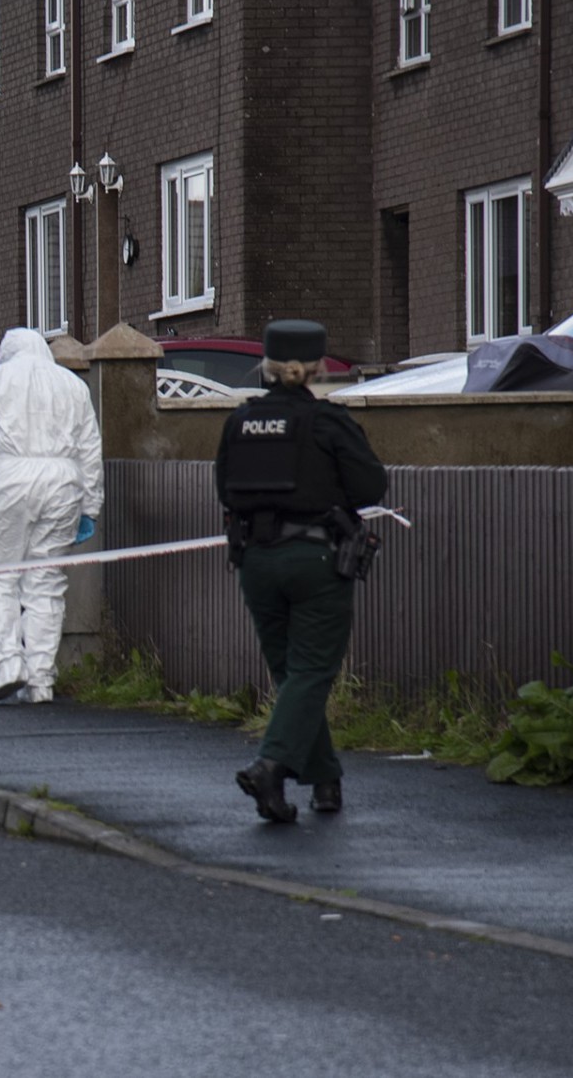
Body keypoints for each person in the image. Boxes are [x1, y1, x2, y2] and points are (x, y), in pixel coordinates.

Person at [216, 319, 388, 823]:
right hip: (316, 559)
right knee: (312, 671)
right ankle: (271, 766)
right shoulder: (327, 423)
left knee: (292, 675)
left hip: (256, 561)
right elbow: (370, 486)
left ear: (266, 366)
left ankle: (324, 781)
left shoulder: (239, 422)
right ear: (315, 368)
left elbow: (225, 490)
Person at [0, 328, 104, 705]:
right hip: (63, 483)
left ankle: (6, 663)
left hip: (9, 480)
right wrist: (90, 506)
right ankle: (40, 679)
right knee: (46, 583)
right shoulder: (73, 386)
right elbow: (89, 449)